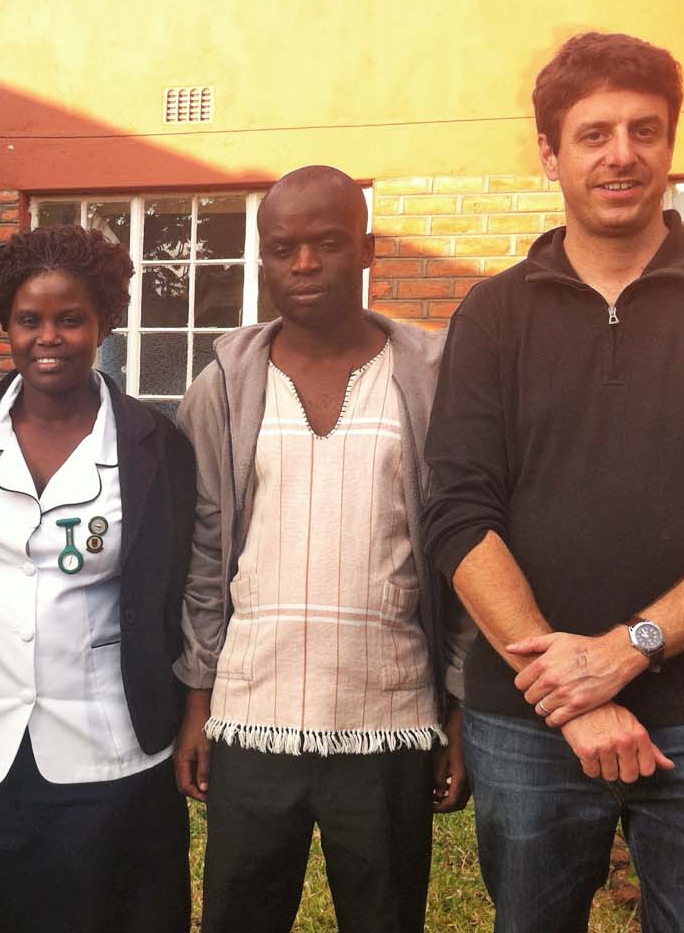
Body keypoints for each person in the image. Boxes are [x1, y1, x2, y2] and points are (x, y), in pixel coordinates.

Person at [423, 32, 684, 933]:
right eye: (594, 133)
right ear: (549, 153)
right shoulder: (492, 315)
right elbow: (457, 512)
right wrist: (569, 694)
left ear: (672, 144)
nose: (622, 154)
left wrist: (626, 651)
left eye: (646, 130)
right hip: (531, 725)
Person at [171, 166, 470, 933]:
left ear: (367, 249)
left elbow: (461, 549)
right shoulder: (225, 385)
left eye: (328, 244)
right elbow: (206, 553)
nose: (304, 265)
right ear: (263, 260)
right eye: (283, 248)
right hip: (251, 713)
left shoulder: (429, 379)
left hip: (388, 715)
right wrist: (199, 701)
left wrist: (458, 711)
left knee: (384, 917)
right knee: (239, 916)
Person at [0, 224, 196, 933]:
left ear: (104, 323)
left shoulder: (153, 444)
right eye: (29, 320)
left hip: (108, 747)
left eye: (70, 319)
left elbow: (181, 582)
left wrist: (193, 705)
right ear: (5, 323)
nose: (48, 337)